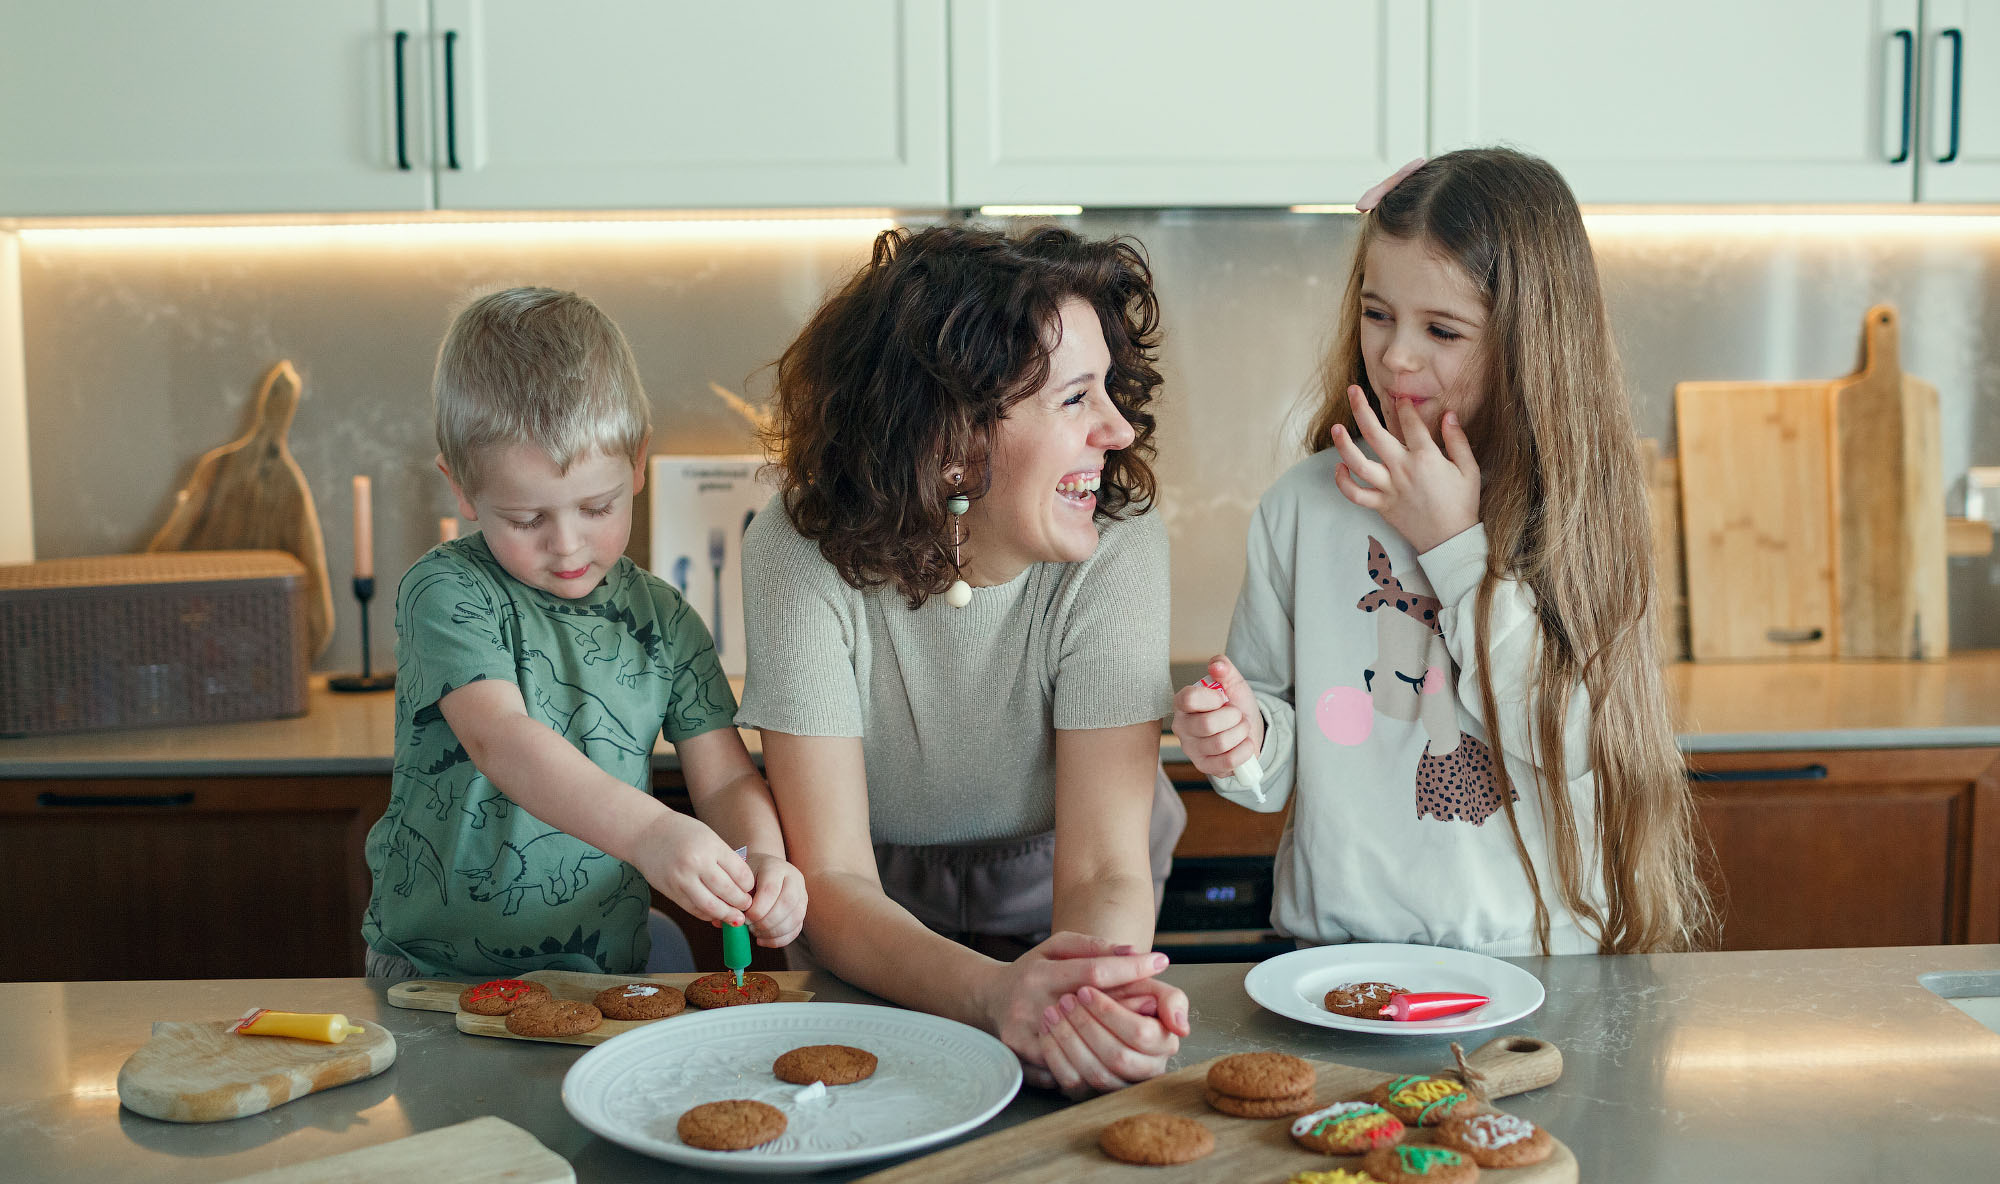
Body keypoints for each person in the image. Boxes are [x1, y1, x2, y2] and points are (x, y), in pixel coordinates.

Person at [1173, 149, 1712, 956]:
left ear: (1530, 340)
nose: (1396, 355)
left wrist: (1454, 546)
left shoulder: (1575, 510)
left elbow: (1575, 740)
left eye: (1442, 330)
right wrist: (1240, 740)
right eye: (1377, 313)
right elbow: (1275, 758)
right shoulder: (1304, 505)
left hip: (1538, 964)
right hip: (1339, 958)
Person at [738, 224, 1190, 1096]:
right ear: (953, 440)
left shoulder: (1120, 544)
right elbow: (832, 877)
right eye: (1075, 398)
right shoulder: (797, 549)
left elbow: (1103, 868)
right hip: (870, 926)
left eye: (1109, 390)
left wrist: (1088, 1002)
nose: (1117, 427)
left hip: (1065, 899)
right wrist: (992, 994)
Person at [362, 287, 805, 979]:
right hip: (436, 977)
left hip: (606, 976)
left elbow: (723, 779)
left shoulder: (665, 619)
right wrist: (651, 831)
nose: (566, 544)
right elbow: (502, 739)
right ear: (462, 489)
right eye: (526, 519)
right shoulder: (446, 590)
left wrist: (764, 859)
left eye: (596, 507)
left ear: (638, 462)